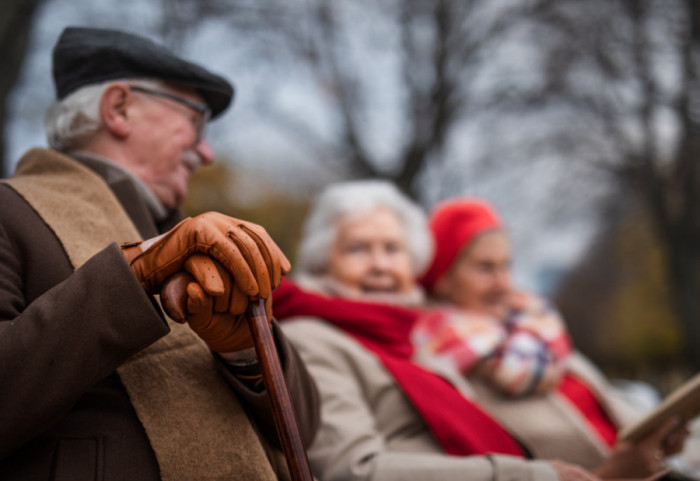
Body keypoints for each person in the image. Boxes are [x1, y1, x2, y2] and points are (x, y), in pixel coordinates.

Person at [0, 27, 318, 480]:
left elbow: (307, 429)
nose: (207, 152)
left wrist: (245, 350)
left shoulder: (196, 235)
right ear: (119, 108)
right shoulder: (9, 210)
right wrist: (133, 273)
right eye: (196, 121)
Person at [268, 180, 683, 481]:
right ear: (322, 262)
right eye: (358, 249)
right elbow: (350, 470)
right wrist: (546, 477)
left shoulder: (408, 335)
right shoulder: (312, 337)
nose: (379, 265)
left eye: (392, 249)